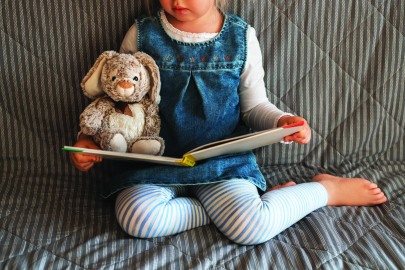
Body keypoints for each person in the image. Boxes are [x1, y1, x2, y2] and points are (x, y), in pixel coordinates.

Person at [70, 0, 387, 245]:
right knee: (137, 220)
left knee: (253, 228)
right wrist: (89, 141)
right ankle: (245, 209)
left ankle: (324, 190)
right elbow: (119, 100)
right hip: (155, 161)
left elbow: (255, 106)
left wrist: (282, 120)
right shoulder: (142, 34)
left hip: (223, 163)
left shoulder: (241, 37)